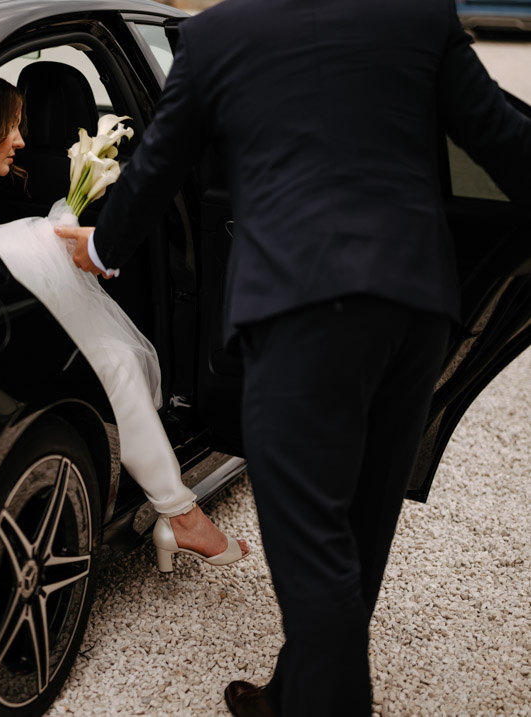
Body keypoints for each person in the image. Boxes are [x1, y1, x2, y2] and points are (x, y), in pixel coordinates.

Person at [57, 0, 531, 714]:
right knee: (359, 529)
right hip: (415, 310)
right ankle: (292, 694)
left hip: (300, 311)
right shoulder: (414, 17)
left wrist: (99, 247)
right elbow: (509, 147)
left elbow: (157, 167)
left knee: (311, 547)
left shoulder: (217, 36)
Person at [0, 76, 249, 568]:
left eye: (23, 125)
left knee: (116, 360)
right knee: (114, 362)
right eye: (11, 126)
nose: (21, 140)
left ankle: (179, 512)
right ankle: (179, 515)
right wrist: (48, 238)